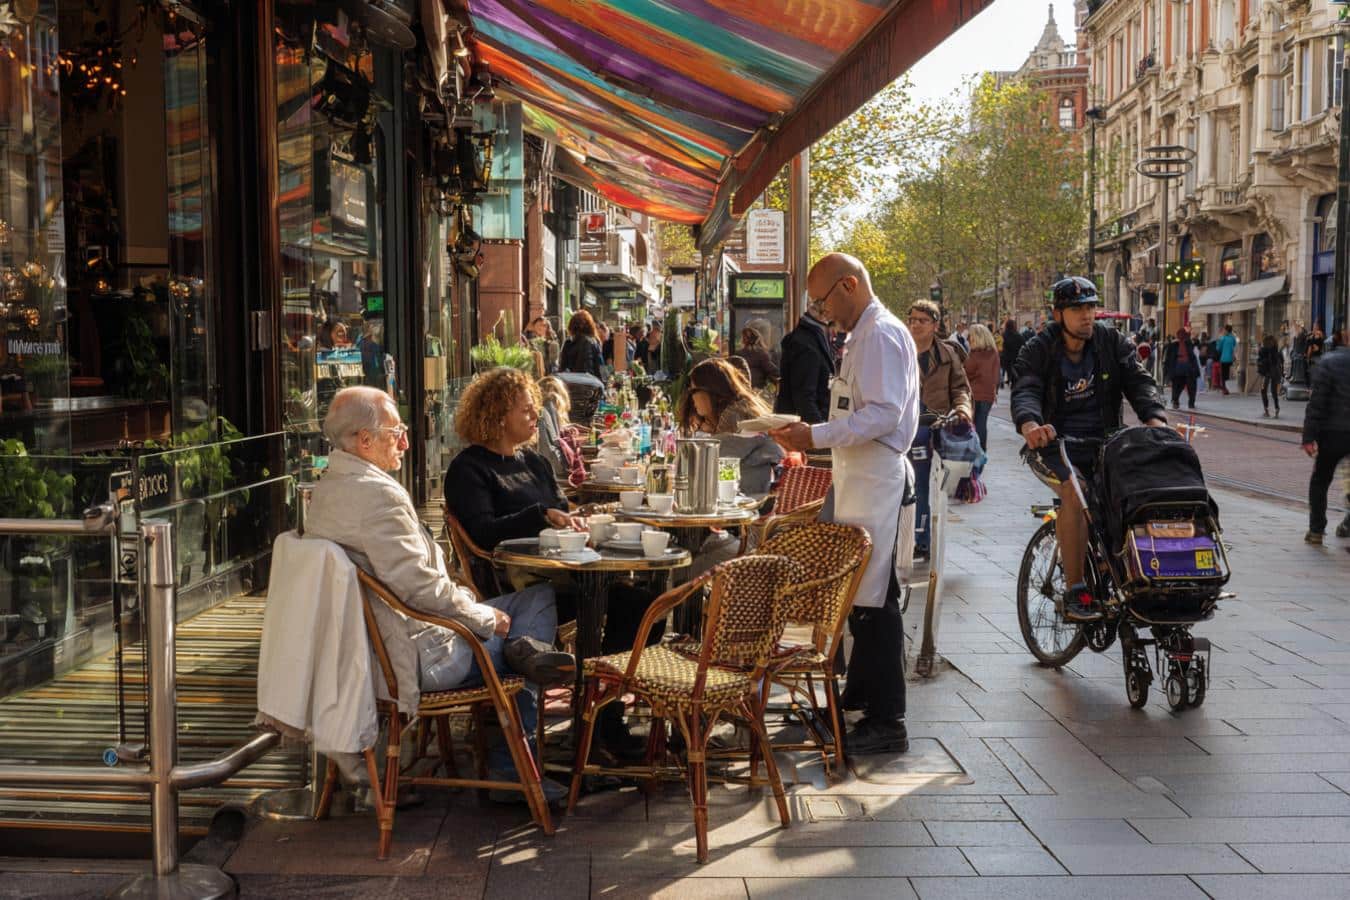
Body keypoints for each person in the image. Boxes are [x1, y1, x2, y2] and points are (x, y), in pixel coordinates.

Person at [305, 386, 574, 800]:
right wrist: (484, 618)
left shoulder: (328, 489)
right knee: (526, 625)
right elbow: (422, 591)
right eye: (397, 432)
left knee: (538, 598)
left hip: (375, 648)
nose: (407, 442)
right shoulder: (378, 498)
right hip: (421, 655)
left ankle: (526, 653)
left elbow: (412, 584)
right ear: (364, 440)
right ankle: (511, 768)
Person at [444, 369, 655, 754]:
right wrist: (540, 515)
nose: (533, 418)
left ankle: (600, 710)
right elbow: (484, 533)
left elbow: (560, 508)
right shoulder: (470, 469)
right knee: (619, 604)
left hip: (567, 571)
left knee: (645, 604)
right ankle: (600, 726)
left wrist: (580, 519)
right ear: (497, 414)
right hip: (515, 584)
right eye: (525, 411)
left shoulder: (534, 461)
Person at [770, 253, 919, 756]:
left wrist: (815, 433)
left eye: (824, 299)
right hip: (860, 472)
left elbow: (883, 413)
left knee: (875, 598)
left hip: (875, 472)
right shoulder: (865, 334)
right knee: (861, 593)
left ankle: (887, 719)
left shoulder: (878, 334)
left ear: (849, 286)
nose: (823, 311)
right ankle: (860, 695)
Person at [1012, 276, 1167, 622]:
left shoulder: (1112, 343)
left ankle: (1118, 565)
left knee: (1136, 491)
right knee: (1076, 491)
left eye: (1091, 307)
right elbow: (1026, 388)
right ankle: (1075, 589)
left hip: (1106, 442)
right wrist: (1030, 425)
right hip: (1054, 445)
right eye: (1077, 308)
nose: (1087, 315)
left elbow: (1139, 381)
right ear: (1058, 314)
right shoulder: (1038, 349)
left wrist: (1155, 419)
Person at [906, 298, 973, 558]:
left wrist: (963, 410)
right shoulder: (898, 349)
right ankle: (912, 536)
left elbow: (960, 388)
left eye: (922, 321)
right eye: (912, 320)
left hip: (935, 427)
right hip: (904, 427)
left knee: (926, 484)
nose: (915, 325)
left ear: (935, 325)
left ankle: (922, 537)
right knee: (912, 483)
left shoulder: (948, 354)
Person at [1301, 324, 1350, 546]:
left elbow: (1317, 404)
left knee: (1320, 481)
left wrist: (1309, 437)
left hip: (1332, 434)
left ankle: (1316, 530)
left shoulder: (1328, 362)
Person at [774, 297, 836, 424]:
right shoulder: (805, 344)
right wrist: (821, 437)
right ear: (825, 313)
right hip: (804, 432)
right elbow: (804, 399)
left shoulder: (810, 339)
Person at [963, 323, 1000, 460]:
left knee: (972, 424)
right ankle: (982, 450)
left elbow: (966, 373)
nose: (968, 340)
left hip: (974, 393)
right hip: (988, 394)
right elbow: (996, 375)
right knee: (982, 423)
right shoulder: (993, 353)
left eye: (970, 337)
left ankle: (973, 450)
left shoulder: (975, 354)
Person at [1163, 327, 1200, 410]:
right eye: (1180, 334)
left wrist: (1194, 368)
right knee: (1177, 385)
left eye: (1183, 334)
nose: (1182, 336)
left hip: (1188, 366)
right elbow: (1168, 359)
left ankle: (1191, 402)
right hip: (1178, 366)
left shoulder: (1189, 343)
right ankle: (1175, 400)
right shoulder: (1173, 345)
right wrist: (1167, 372)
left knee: (1191, 385)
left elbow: (1193, 356)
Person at [559, 310, 603, 378]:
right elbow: (599, 367)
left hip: (572, 382)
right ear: (590, 325)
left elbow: (562, 366)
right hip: (590, 382)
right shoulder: (594, 341)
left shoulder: (568, 342)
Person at [734, 325, 780, 389]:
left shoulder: (738, 354)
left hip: (741, 388)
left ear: (743, 340)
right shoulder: (761, 354)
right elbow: (772, 370)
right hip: (756, 390)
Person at [1258, 333, 1283, 419]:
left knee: (1263, 390)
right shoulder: (1276, 352)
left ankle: (1266, 410)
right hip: (1275, 372)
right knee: (1273, 391)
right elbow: (1280, 362)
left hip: (1267, 373)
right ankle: (1276, 408)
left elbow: (1260, 361)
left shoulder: (1263, 351)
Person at [1001, 318, 1025, 388]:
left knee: (1006, 370)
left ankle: (1006, 380)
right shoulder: (1018, 335)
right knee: (1014, 370)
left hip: (1006, 356)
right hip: (1015, 356)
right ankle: (1013, 383)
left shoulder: (1004, 335)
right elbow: (1023, 344)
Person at [1216, 324, 1237, 395]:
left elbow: (1218, 348)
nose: (1224, 331)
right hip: (1230, 359)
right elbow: (1234, 346)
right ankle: (1227, 388)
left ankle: (1224, 389)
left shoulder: (1223, 338)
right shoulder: (1233, 338)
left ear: (1227, 330)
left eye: (1224, 330)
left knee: (1223, 375)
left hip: (1223, 359)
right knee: (1227, 374)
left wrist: (1218, 342)